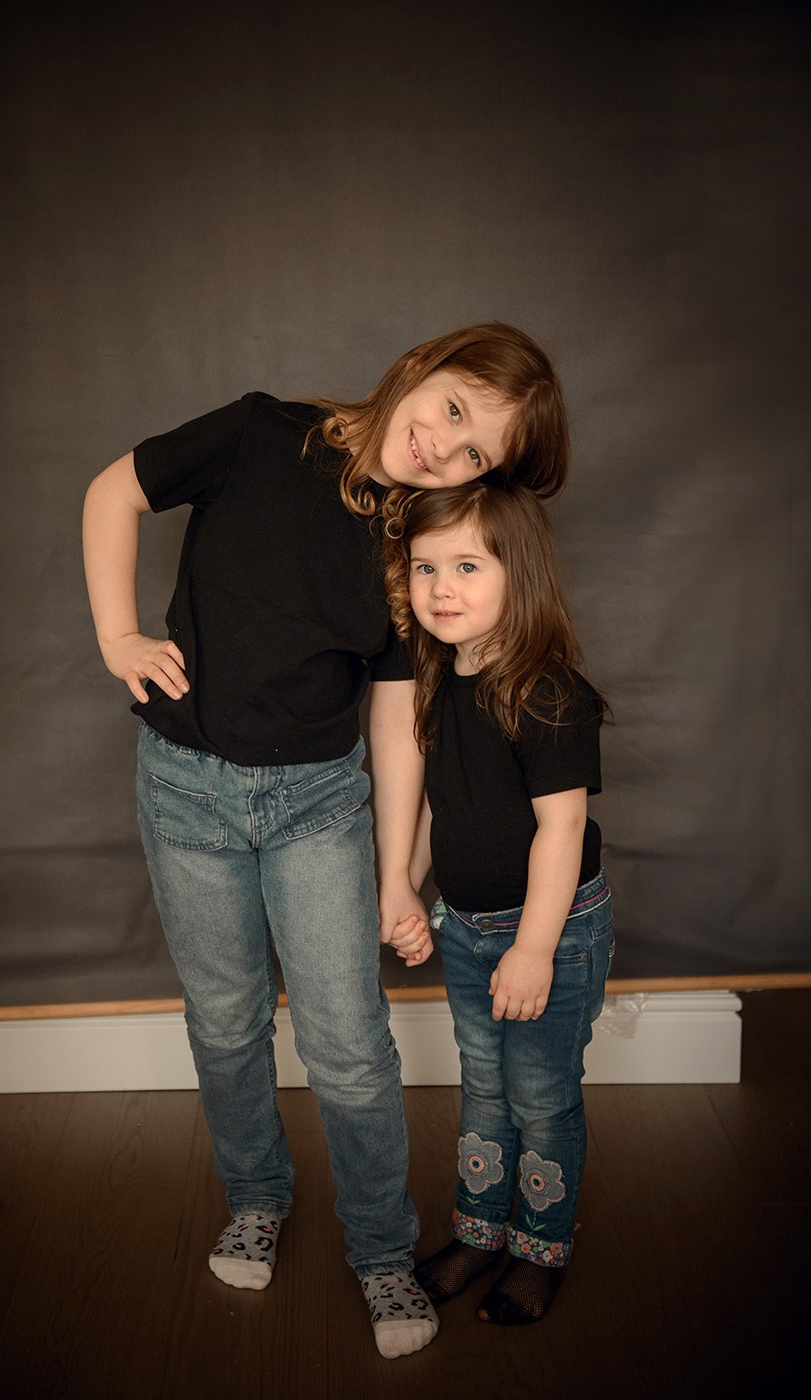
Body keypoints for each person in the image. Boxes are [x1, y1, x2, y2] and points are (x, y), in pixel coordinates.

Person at [81, 323, 569, 1359]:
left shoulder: (414, 539)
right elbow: (111, 490)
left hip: (315, 804)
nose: (444, 446)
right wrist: (116, 632)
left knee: (347, 1046)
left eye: (477, 449)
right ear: (419, 367)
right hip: (185, 790)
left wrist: (397, 872)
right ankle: (256, 1195)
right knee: (225, 1020)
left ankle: (383, 1248)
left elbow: (395, 724)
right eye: (449, 407)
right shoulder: (262, 435)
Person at [382, 479, 612, 1326]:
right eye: (425, 567)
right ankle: (480, 1231)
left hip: (549, 932)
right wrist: (406, 883)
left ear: (520, 573)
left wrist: (534, 948)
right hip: (471, 930)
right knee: (484, 1090)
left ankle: (539, 1248)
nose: (441, 587)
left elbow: (560, 831)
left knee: (542, 1097)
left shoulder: (548, 694)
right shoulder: (438, 682)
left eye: (467, 565)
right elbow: (437, 801)